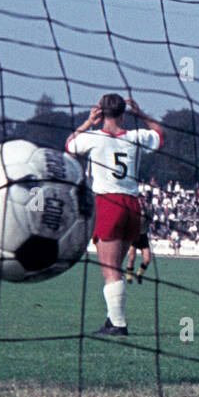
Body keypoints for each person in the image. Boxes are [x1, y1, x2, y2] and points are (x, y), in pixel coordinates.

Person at [67, 94, 164, 336]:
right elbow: (160, 134)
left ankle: (119, 324)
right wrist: (140, 114)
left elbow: (69, 146)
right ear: (123, 114)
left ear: (100, 113)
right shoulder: (136, 137)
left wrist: (88, 123)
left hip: (107, 203)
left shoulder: (93, 138)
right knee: (116, 269)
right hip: (132, 205)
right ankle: (112, 320)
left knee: (110, 270)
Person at [124, 200, 152, 284]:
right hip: (134, 235)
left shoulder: (147, 211)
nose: (141, 203)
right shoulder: (133, 210)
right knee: (132, 258)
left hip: (143, 237)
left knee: (147, 259)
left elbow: (150, 220)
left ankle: (139, 274)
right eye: (140, 202)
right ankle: (128, 276)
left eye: (142, 202)